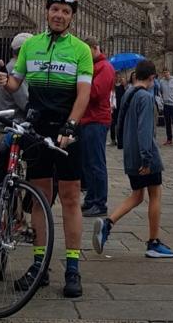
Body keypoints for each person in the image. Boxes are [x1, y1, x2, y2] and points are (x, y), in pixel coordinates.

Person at [0, 0, 93, 298]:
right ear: (47, 12)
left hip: (67, 130)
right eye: (55, 9)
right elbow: (16, 84)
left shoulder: (80, 50)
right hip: (38, 130)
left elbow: (83, 94)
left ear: (72, 17)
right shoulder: (32, 46)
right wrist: (5, 81)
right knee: (39, 197)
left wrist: (71, 125)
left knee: (69, 197)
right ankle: (39, 266)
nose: (59, 15)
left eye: (65, 11)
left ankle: (73, 268)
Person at [92, 59, 173, 258]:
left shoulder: (128, 92)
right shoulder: (145, 97)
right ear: (153, 77)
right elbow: (145, 130)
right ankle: (153, 242)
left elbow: (119, 121)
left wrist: (123, 145)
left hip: (131, 152)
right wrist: (146, 159)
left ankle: (108, 223)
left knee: (137, 195)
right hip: (144, 153)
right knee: (155, 195)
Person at [80, 36, 114, 217]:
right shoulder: (92, 66)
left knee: (96, 162)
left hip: (97, 120)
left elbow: (95, 93)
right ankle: (90, 199)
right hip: (86, 119)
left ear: (95, 48)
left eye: (87, 51)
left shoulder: (105, 67)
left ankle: (100, 202)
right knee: (87, 163)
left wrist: (79, 86)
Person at [0, 33, 32, 144]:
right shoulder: (16, 69)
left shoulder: (11, 66)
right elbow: (24, 102)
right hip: (12, 126)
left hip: (10, 124)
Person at [109, 73, 125, 145]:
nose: (117, 78)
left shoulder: (122, 86)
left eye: (118, 77)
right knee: (112, 124)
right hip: (113, 108)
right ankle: (113, 139)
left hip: (120, 107)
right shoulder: (112, 87)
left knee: (119, 124)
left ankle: (120, 139)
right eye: (116, 77)